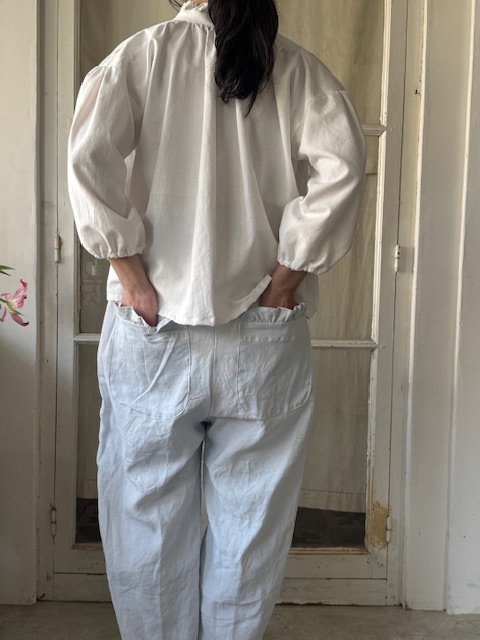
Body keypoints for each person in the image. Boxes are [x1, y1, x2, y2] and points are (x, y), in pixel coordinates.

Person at [68, 0, 366, 638]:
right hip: (263, 330)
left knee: (146, 519)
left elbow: (88, 161)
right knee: (251, 525)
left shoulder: (142, 56)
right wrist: (284, 283)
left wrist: (133, 280)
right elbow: (343, 169)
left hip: (153, 329)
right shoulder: (295, 68)